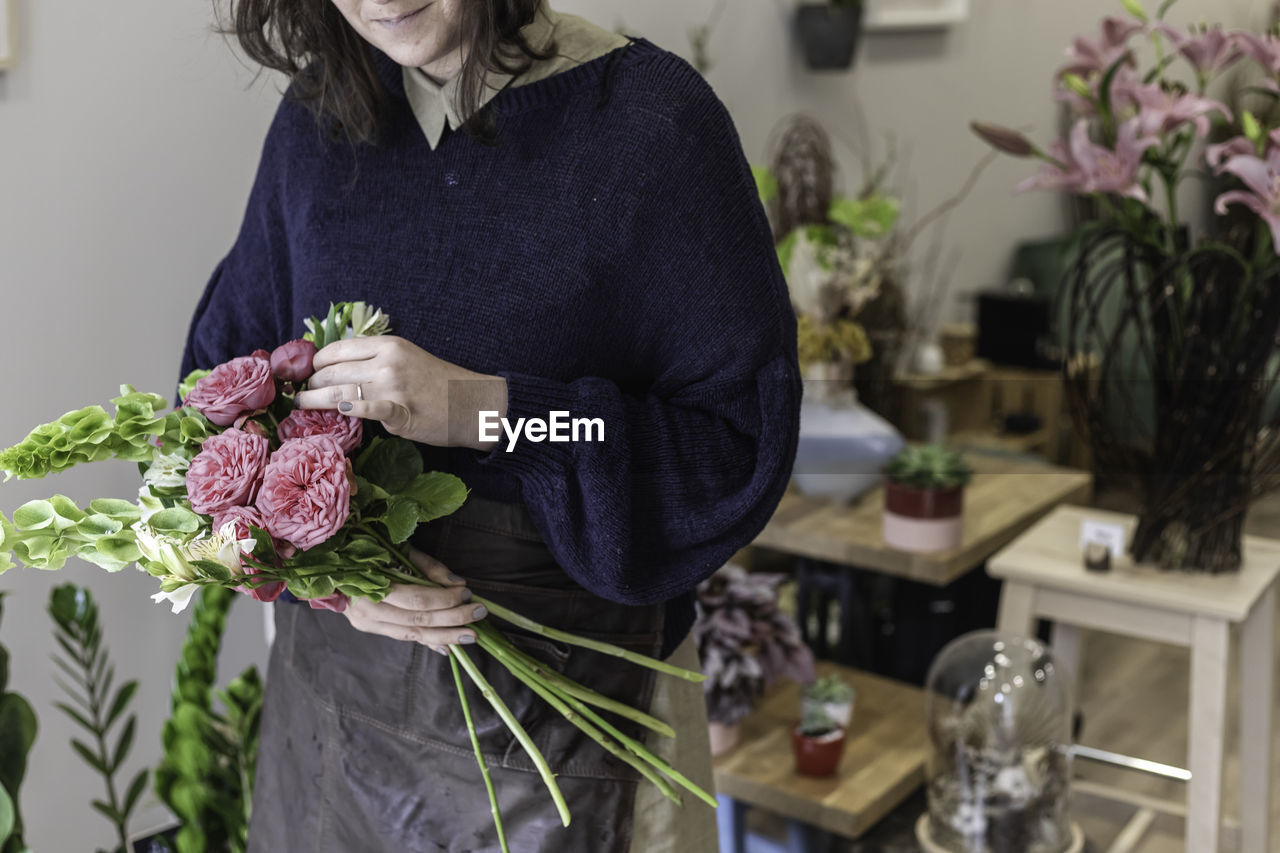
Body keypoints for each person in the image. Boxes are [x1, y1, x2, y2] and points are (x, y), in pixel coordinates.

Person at [179, 0, 801, 850]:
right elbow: (209, 407)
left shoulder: (651, 125)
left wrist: (488, 412)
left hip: (575, 718)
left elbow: (730, 447)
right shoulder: (318, 123)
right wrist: (332, 572)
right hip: (334, 719)